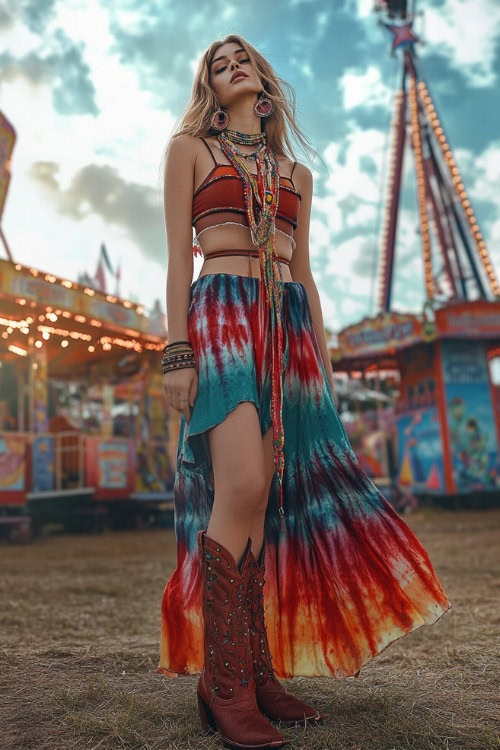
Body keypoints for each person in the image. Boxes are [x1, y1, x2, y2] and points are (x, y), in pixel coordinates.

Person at [158, 34, 451, 750]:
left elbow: (307, 272)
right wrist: (176, 350)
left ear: (262, 78)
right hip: (221, 310)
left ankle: (253, 672)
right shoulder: (190, 148)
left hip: (286, 324)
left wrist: (318, 354)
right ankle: (221, 682)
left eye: (242, 60)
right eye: (216, 64)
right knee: (242, 482)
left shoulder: (295, 172)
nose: (230, 67)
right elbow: (174, 257)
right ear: (209, 84)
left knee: (266, 495)